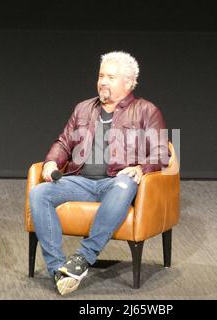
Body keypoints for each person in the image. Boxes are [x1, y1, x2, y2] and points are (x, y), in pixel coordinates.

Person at [29, 51, 170, 295]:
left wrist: (141, 168)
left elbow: (161, 153)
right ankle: (58, 269)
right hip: (81, 181)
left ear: (128, 82)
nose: (102, 81)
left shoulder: (146, 110)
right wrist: (51, 162)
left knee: (125, 182)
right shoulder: (83, 108)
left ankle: (83, 257)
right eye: (101, 75)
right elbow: (64, 142)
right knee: (39, 194)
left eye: (110, 77)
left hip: (116, 184)